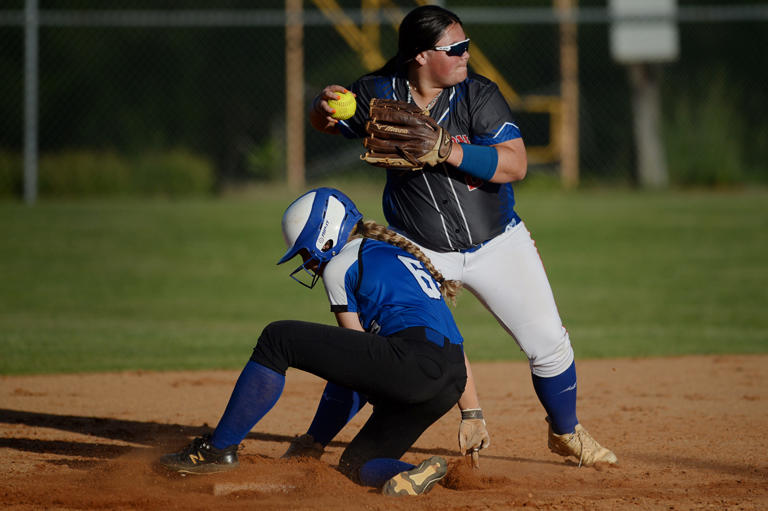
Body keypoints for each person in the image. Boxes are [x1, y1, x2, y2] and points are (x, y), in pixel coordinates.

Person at [293, 5, 617, 468]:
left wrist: (448, 148)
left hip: (496, 243)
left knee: (548, 342)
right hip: (417, 249)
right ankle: (313, 441)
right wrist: (321, 106)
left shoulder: (478, 95)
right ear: (421, 56)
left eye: (466, 46)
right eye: (456, 49)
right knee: (368, 349)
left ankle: (566, 432)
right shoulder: (376, 95)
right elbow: (326, 123)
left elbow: (516, 164)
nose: (467, 55)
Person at [159, 187, 490, 496]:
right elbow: (453, 344)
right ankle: (422, 474)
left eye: (305, 252)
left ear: (326, 237)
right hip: (449, 381)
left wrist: (315, 441)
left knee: (278, 338)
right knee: (354, 466)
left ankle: (218, 450)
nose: (307, 264)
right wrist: (472, 413)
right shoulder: (398, 255)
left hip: (411, 364)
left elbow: (354, 374)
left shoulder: (340, 266)